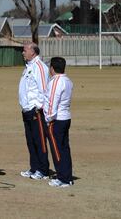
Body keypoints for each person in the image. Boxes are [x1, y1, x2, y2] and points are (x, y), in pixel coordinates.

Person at [19, 42, 50, 180]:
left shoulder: (40, 67)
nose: (23, 52)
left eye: (25, 50)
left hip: (35, 110)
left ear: (33, 52)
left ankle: (43, 170)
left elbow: (44, 89)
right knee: (30, 141)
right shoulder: (28, 67)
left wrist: (38, 107)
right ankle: (34, 167)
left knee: (39, 140)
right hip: (26, 110)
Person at [44, 57, 74, 187]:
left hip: (57, 119)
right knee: (64, 148)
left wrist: (48, 119)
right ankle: (67, 176)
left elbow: (52, 102)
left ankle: (63, 178)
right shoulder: (68, 81)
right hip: (66, 117)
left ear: (52, 68)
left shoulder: (56, 81)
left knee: (57, 150)